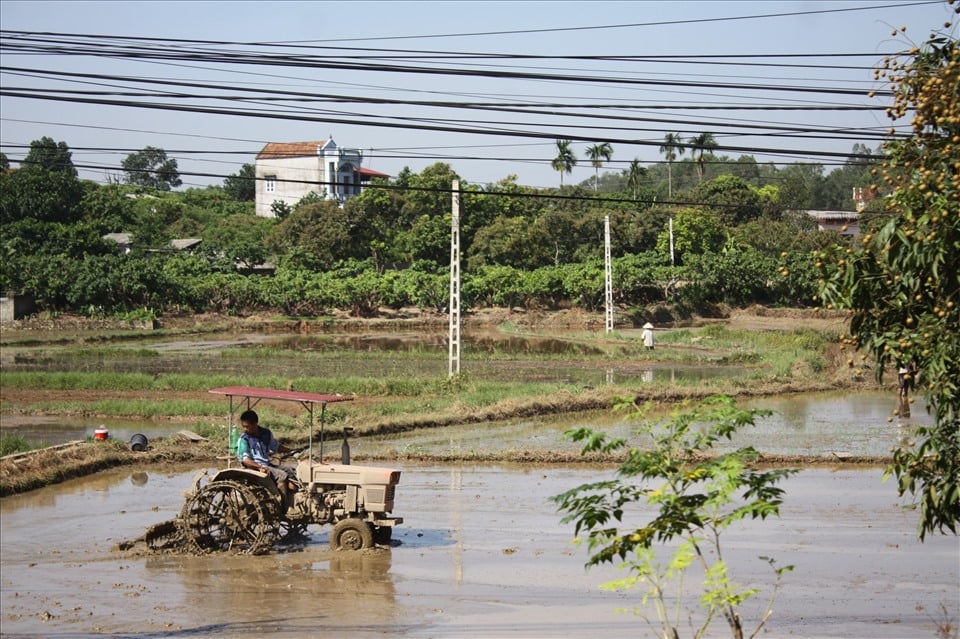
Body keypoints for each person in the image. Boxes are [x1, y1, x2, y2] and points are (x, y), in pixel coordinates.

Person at [236, 409, 296, 507]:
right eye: (244, 427)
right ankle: (284, 507)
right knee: (281, 475)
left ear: (255, 423)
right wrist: (259, 467)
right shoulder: (244, 439)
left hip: (267, 464)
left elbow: (276, 446)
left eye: (247, 426)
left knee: (290, 470)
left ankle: (293, 494)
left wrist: (292, 451)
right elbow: (245, 460)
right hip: (254, 467)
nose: (245, 429)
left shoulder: (266, 433)